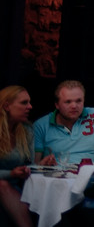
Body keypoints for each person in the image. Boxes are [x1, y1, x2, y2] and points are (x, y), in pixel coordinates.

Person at [32, 80, 94, 168]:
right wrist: (42, 165)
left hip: (89, 179)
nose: (74, 106)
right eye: (68, 102)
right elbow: (34, 164)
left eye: (78, 101)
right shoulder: (41, 125)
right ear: (57, 105)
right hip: (57, 179)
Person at [1, 86, 34, 227]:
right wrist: (11, 173)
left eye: (29, 102)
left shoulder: (26, 131)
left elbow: (29, 165)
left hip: (17, 189)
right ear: (7, 106)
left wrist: (38, 166)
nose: (30, 107)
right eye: (24, 102)